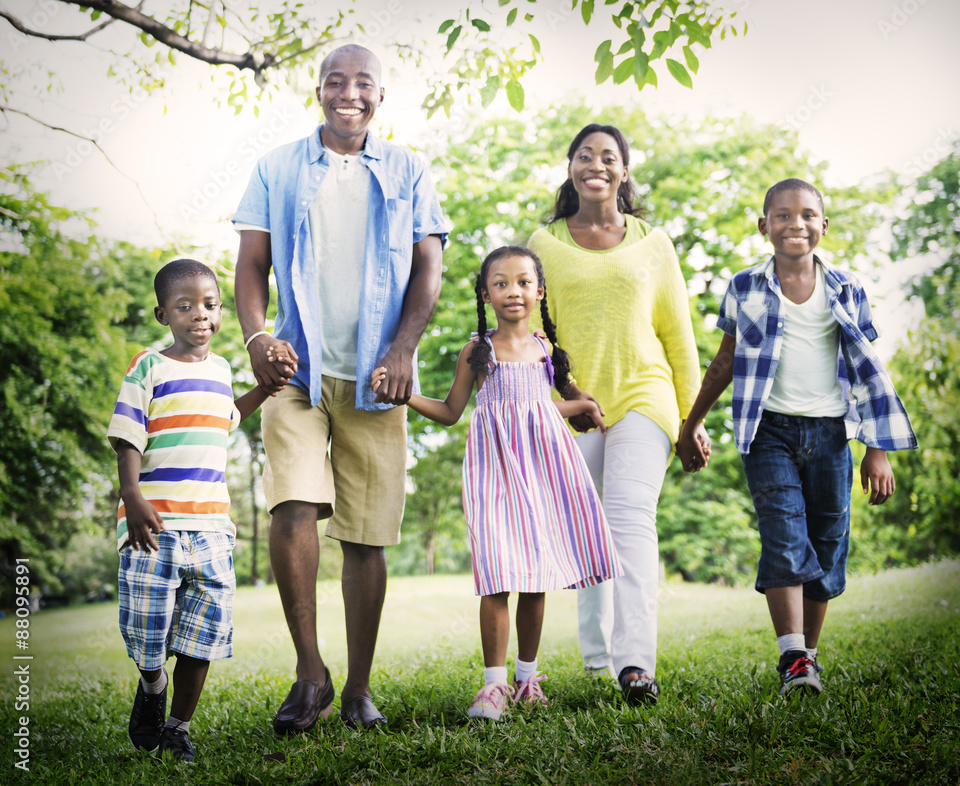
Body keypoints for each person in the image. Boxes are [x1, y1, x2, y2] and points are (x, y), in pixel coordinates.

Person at [232, 43, 448, 732]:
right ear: (318, 91)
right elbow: (251, 264)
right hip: (296, 370)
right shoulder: (278, 166)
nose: (347, 93)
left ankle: (356, 689)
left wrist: (403, 349)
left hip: (376, 379)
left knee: (368, 536)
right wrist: (257, 338)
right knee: (292, 506)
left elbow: (429, 270)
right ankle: (309, 672)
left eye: (362, 84)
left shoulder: (410, 169)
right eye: (335, 82)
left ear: (380, 96)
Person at [677, 178, 917, 695]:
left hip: (832, 434)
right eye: (782, 215)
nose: (795, 224)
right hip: (768, 432)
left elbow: (870, 371)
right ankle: (792, 658)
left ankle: (808, 655)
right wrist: (692, 421)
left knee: (827, 544)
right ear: (764, 226)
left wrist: (877, 449)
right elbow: (725, 362)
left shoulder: (848, 288)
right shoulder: (745, 286)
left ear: (823, 227)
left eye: (807, 214)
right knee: (784, 536)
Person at [373, 246, 620, 720]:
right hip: (494, 473)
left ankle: (527, 679)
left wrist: (582, 406)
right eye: (501, 283)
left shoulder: (546, 348)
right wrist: (403, 395)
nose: (514, 291)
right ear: (485, 293)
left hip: (545, 472)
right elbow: (449, 412)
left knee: (534, 578)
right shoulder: (477, 350)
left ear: (540, 291)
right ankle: (494, 686)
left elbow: (545, 406)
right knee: (497, 574)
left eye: (524, 282)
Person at [527, 123, 707, 705]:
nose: (596, 164)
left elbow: (678, 339)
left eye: (609, 157)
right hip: (575, 404)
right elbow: (531, 335)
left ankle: (635, 666)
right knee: (587, 532)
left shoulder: (654, 243)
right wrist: (563, 398)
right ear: (571, 167)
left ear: (624, 172)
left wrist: (691, 420)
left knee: (630, 518)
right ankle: (597, 658)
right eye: (585, 155)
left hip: (643, 397)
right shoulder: (543, 243)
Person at [109, 258, 291, 761]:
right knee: (146, 635)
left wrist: (266, 388)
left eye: (210, 305)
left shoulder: (221, 370)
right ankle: (151, 686)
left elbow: (227, 417)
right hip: (154, 526)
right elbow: (127, 434)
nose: (200, 315)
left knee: (200, 637)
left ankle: (178, 728)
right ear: (162, 314)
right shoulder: (148, 365)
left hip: (212, 529)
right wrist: (132, 496)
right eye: (184, 306)